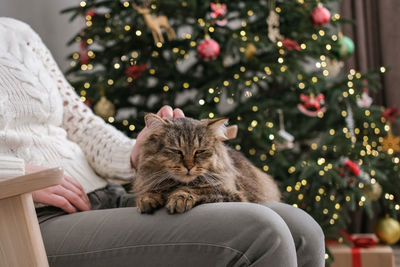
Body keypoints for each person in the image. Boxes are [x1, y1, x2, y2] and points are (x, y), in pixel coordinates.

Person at [0, 17, 325, 267]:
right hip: (24, 216)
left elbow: (81, 125)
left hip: (103, 195)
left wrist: (135, 151)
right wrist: (14, 173)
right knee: (261, 231)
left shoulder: (18, 33)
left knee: (302, 229)